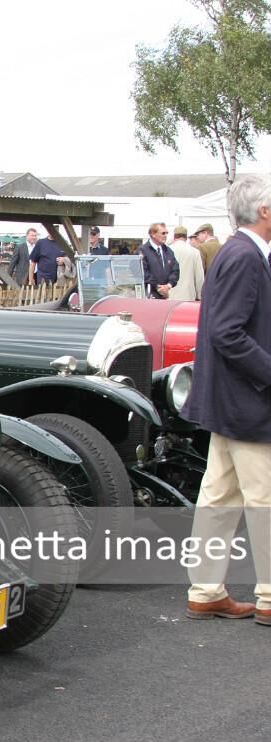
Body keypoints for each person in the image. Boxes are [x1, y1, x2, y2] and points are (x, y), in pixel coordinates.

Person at [179, 174, 271, 625]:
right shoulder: (245, 256)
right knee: (263, 500)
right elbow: (227, 332)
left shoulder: (238, 252)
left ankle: (206, 591)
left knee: (218, 497)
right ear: (264, 211)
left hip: (233, 401)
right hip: (248, 401)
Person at [138, 222, 179, 298]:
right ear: (153, 234)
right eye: (163, 233)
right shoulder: (143, 251)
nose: (166, 235)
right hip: (149, 295)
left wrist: (168, 285)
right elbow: (142, 272)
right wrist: (157, 286)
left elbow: (175, 270)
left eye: (166, 233)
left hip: (164, 295)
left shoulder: (168, 251)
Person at [168, 224, 205, 301]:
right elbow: (199, 277)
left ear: (174, 236)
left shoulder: (166, 251)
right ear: (186, 237)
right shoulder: (195, 252)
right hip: (188, 296)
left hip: (169, 295)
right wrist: (200, 295)